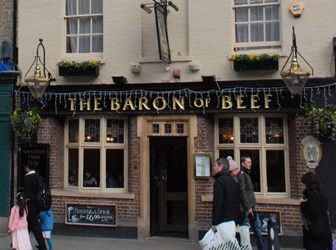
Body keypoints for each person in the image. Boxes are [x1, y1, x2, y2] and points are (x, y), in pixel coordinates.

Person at [237, 156, 267, 250]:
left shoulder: (247, 174)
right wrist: (247, 206)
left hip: (251, 205)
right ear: (242, 163)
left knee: (257, 228)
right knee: (244, 228)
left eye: (250, 162)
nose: (250, 164)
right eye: (248, 162)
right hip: (247, 206)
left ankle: (262, 247)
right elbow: (242, 191)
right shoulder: (241, 175)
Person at [300, 172, 332, 250]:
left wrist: (302, 204)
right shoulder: (322, 192)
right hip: (324, 228)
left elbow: (312, 212)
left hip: (315, 231)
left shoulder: (312, 195)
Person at [212, 157, 241, 232]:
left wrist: (215, 222)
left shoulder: (220, 181)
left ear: (221, 166)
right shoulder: (233, 179)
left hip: (223, 220)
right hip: (234, 219)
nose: (213, 168)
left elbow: (218, 203)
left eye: (215, 166)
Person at [23, 161, 48, 250]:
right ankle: (18, 242)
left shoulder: (27, 178)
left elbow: (27, 193)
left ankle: (43, 246)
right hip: (38, 205)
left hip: (31, 205)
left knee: (34, 226)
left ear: (27, 168)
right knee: (29, 225)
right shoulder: (39, 177)